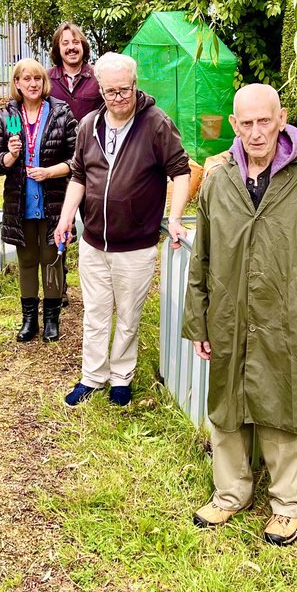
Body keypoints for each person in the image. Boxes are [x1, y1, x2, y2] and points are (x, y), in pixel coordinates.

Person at [182, 83, 297, 547]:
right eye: (246, 123)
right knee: (228, 403)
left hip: (288, 312)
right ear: (234, 125)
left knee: (285, 403)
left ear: (281, 118)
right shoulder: (218, 181)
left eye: (264, 121)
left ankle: (288, 504)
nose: (256, 133)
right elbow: (204, 257)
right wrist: (198, 319)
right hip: (230, 312)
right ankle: (231, 492)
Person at [54, 52, 191, 407]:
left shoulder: (156, 123)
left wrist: (174, 218)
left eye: (125, 90)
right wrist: (66, 216)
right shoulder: (88, 125)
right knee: (95, 312)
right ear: (100, 89)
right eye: (111, 91)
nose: (119, 98)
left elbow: (181, 171)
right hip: (93, 241)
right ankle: (92, 376)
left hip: (136, 244)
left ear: (135, 85)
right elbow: (79, 175)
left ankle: (121, 378)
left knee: (128, 316)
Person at [0, 59, 78, 342]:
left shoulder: (61, 114)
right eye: (26, 79)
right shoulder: (8, 117)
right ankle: (29, 320)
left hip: (53, 200)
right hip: (21, 202)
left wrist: (51, 172)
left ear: (44, 81)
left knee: (51, 258)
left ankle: (52, 319)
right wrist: (10, 156)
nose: (32, 84)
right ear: (17, 84)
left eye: (37, 78)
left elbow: (78, 160)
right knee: (27, 260)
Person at [47, 22, 102, 122]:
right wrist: (13, 132)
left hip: (90, 137)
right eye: (65, 43)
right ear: (58, 48)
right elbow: (15, 106)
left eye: (76, 42)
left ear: (83, 46)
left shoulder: (99, 75)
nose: (71, 47)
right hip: (57, 138)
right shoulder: (45, 79)